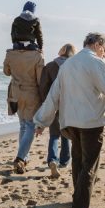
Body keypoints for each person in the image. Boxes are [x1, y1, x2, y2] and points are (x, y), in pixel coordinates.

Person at [34, 32, 105, 208]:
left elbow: (53, 96)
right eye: (104, 49)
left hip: (70, 122)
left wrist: (41, 121)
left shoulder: (67, 64)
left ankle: (77, 200)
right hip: (90, 122)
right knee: (89, 165)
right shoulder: (95, 62)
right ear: (97, 45)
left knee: (78, 162)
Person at [3, 45, 44, 174]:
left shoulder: (10, 54)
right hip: (31, 93)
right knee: (30, 125)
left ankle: (24, 157)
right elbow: (40, 78)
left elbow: (6, 72)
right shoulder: (37, 55)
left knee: (22, 125)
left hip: (16, 93)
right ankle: (20, 158)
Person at [39, 43, 76, 178]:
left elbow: (43, 87)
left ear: (61, 51)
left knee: (54, 135)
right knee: (66, 133)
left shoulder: (49, 66)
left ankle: (52, 160)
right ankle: (64, 161)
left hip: (53, 104)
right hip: (69, 105)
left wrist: (45, 103)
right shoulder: (74, 67)